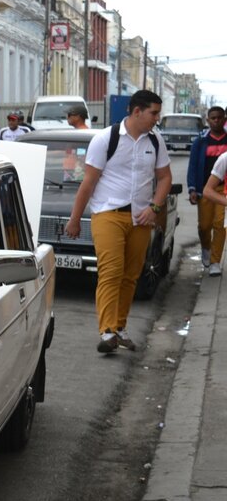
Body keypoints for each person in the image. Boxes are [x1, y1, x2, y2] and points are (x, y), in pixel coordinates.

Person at [63, 90, 171, 353]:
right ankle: (107, 331)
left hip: (141, 218)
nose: (157, 118)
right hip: (108, 213)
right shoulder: (106, 139)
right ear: (137, 111)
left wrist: (155, 208)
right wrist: (75, 219)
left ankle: (120, 328)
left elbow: (165, 178)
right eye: (154, 113)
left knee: (131, 275)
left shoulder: (155, 141)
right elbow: (88, 183)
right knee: (111, 272)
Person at [187, 106, 227, 275]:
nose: (216, 120)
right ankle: (206, 248)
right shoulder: (201, 141)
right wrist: (192, 189)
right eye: (213, 118)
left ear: (224, 119)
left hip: (223, 189)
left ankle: (215, 261)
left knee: (220, 225)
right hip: (205, 189)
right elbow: (193, 166)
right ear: (208, 120)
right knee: (204, 226)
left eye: (219, 117)